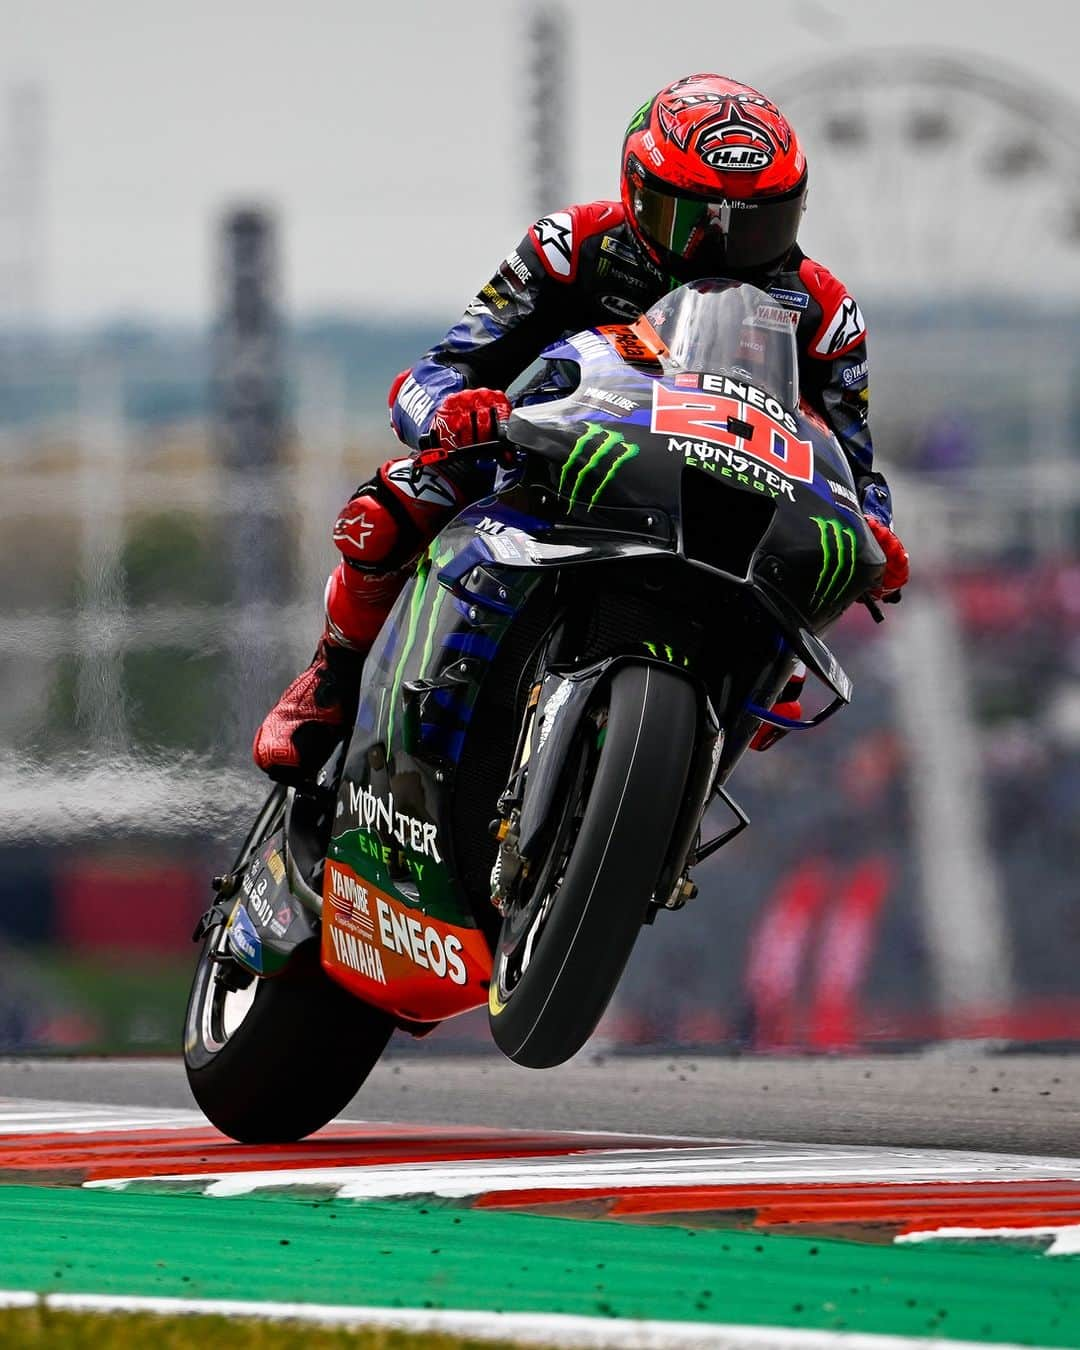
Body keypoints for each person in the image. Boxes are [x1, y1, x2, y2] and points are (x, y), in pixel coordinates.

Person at [253, 73, 910, 783]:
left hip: (726, 494)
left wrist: (875, 527)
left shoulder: (824, 311)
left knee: (824, 577)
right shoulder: (574, 246)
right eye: (697, 220)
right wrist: (454, 411)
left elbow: (853, 464)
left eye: (756, 224)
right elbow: (435, 374)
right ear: (637, 190)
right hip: (559, 454)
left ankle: (679, 786)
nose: (722, 248)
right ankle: (331, 678)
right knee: (386, 511)